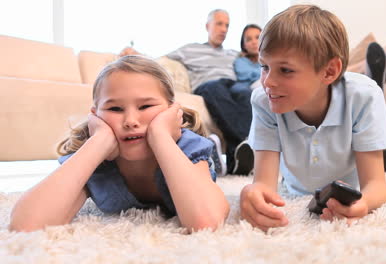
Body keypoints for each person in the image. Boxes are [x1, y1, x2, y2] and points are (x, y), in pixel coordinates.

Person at [9, 55, 230, 232]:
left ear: (172, 111)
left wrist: (161, 136)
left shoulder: (187, 147)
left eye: (145, 107)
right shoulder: (93, 158)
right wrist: (99, 142)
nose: (131, 121)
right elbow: (26, 224)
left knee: (214, 164)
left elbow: (207, 221)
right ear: (95, 116)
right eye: (115, 109)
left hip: (190, 152)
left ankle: (216, 152)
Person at [240, 5, 386, 231]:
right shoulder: (263, 101)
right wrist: (252, 194)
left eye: (285, 70)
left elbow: (377, 186)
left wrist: (363, 204)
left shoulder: (364, 96)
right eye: (264, 66)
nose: (268, 82)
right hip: (293, 194)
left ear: (329, 71)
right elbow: (264, 184)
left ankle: (372, 72)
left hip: (348, 190)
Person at [120, 9, 254, 176]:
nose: (224, 29)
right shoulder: (190, 49)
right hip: (208, 85)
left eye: (227, 25)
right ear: (207, 26)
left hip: (232, 84)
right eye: (219, 24)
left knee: (245, 92)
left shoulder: (232, 54)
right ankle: (243, 145)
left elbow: (253, 60)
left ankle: (242, 153)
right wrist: (134, 55)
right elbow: (160, 60)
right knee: (215, 88)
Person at [231, 24, 262, 93]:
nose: (254, 42)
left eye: (257, 37)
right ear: (244, 45)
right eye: (249, 39)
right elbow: (247, 75)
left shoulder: (270, 61)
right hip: (249, 91)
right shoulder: (240, 62)